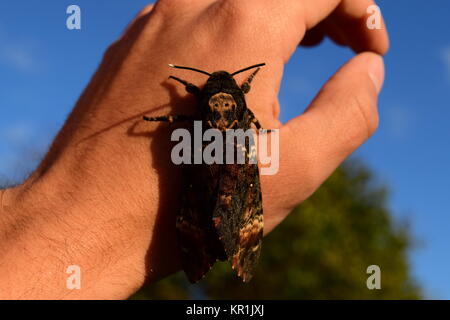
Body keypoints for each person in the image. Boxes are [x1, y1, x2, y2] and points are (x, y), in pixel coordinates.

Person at [0, 0, 388, 299]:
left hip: (201, 171)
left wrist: (42, 222)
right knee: (238, 187)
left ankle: (209, 247)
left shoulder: (198, 109)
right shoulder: (240, 111)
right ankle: (233, 245)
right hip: (238, 170)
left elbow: (186, 117)